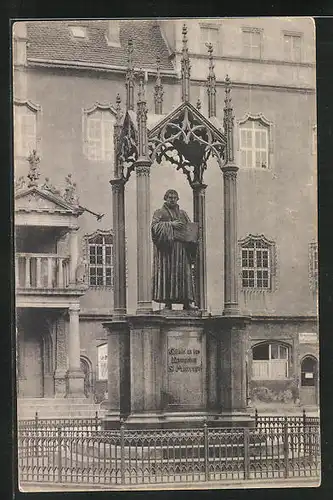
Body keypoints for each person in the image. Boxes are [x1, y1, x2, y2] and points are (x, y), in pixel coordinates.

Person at [151, 189, 198, 310]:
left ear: (178, 199)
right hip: (167, 251)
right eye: (170, 197)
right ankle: (168, 303)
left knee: (184, 275)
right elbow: (154, 228)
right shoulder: (159, 212)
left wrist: (192, 239)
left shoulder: (183, 214)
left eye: (174, 197)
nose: (172, 199)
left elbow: (190, 229)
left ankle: (187, 303)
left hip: (182, 250)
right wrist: (171, 225)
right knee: (168, 274)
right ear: (165, 198)